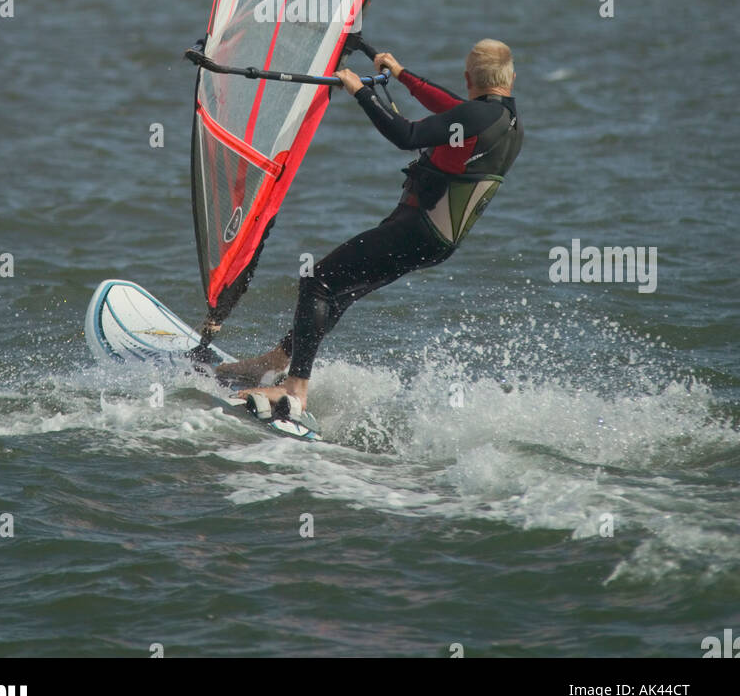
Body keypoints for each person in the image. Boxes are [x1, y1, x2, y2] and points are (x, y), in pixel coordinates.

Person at [215, 38, 523, 416]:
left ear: (468, 77)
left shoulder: (474, 117)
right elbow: (451, 107)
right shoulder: (505, 121)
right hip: (435, 240)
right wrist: (402, 74)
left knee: (319, 280)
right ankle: (274, 361)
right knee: (340, 292)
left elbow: (406, 135)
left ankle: (294, 388)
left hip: (417, 230)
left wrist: (361, 93)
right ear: (510, 78)